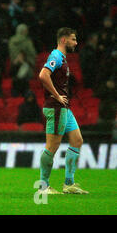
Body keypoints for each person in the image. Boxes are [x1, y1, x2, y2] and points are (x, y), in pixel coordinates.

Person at [37, 27, 88, 195]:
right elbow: (43, 75)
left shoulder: (62, 58)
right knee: (52, 146)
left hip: (65, 108)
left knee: (77, 140)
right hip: (56, 107)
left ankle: (69, 184)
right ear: (64, 40)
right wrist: (57, 95)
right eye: (73, 39)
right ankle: (43, 186)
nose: (76, 42)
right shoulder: (56, 56)